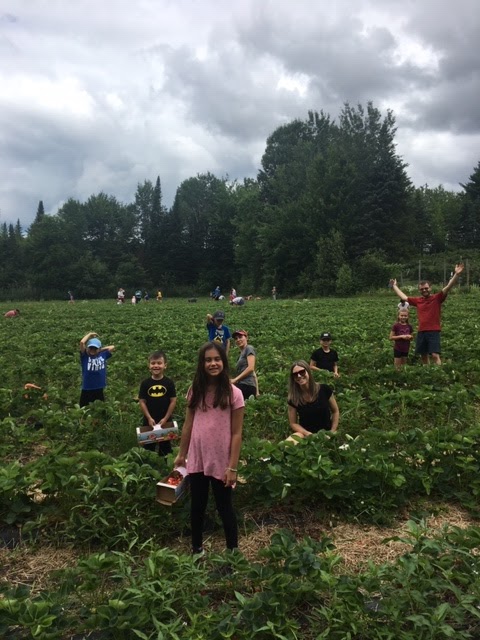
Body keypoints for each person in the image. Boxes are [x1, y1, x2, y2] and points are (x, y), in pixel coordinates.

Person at [174, 342, 245, 555]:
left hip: (221, 460)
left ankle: (232, 554)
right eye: (208, 360)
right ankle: (197, 549)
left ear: (223, 362)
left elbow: (236, 433)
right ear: (202, 364)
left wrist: (232, 467)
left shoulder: (234, 393)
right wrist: (181, 454)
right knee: (197, 506)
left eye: (217, 359)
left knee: (225, 509)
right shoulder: (195, 390)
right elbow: (188, 424)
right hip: (198, 458)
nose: (213, 363)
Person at [390, 263, 464, 365]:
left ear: (430, 288)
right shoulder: (418, 300)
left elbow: (448, 287)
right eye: (422, 289)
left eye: (426, 288)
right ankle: (427, 372)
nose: (424, 290)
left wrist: (456, 274)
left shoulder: (437, 297)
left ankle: (439, 374)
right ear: (419, 290)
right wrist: (394, 286)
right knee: (423, 355)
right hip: (421, 331)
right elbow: (404, 297)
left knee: (435, 355)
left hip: (433, 331)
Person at [138, 350, 177, 456]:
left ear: (165, 365)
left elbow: (173, 401)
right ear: (149, 365)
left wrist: (165, 418)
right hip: (149, 420)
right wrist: (149, 418)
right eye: (153, 363)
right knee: (148, 447)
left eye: (159, 363)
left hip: (165, 419)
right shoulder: (145, 383)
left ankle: (165, 468)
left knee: (165, 447)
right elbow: (142, 401)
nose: (156, 366)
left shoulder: (169, 383)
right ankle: (149, 469)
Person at [288, 360, 339, 438]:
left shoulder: (324, 389)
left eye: (302, 372)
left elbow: (335, 411)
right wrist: (307, 434)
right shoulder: (293, 397)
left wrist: (332, 431)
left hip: (326, 434)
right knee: (288, 444)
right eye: (295, 374)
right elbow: (293, 423)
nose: (299, 376)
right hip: (305, 434)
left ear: (308, 371)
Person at [79, 332, 115, 407]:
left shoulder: (103, 354)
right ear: (88, 348)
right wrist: (89, 334)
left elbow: (112, 347)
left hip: (99, 386)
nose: (92, 350)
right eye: (91, 348)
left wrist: (100, 350)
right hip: (87, 387)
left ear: (99, 348)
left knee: (100, 408)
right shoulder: (85, 356)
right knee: (83, 407)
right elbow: (82, 342)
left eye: (95, 348)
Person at [231, 330, 257, 400]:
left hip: (247, 385)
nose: (238, 340)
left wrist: (235, 380)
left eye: (240, 337)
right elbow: (254, 374)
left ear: (246, 337)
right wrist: (257, 392)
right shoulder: (240, 355)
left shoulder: (249, 348)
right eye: (236, 338)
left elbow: (251, 368)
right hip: (244, 385)